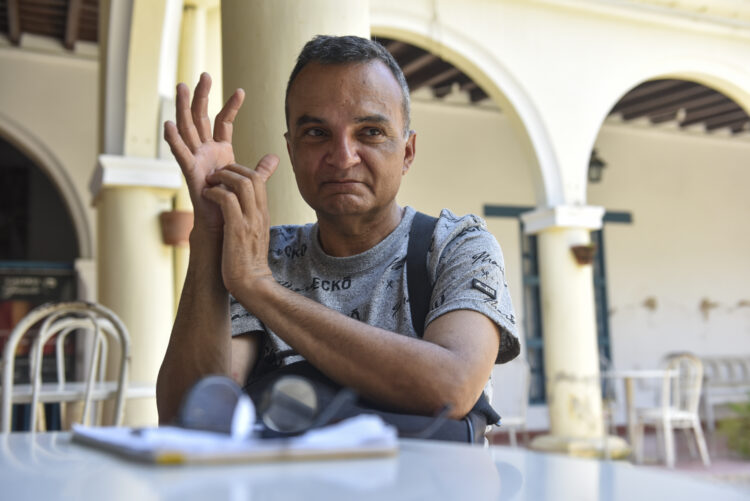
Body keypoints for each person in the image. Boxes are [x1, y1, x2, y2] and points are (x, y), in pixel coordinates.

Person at [156, 35, 519, 439]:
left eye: (370, 132)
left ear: (408, 153)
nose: (343, 156)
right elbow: (188, 418)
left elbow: (452, 387)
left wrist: (260, 288)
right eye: (316, 133)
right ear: (292, 153)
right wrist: (211, 232)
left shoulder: (456, 245)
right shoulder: (266, 255)